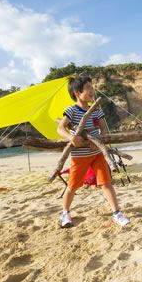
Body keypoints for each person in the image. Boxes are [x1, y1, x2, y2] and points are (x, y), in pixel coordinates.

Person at [57, 74, 130, 228]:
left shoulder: (96, 109)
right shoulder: (72, 110)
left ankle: (116, 213)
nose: (92, 91)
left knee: (106, 183)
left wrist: (98, 142)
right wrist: (71, 138)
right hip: (80, 157)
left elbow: (103, 129)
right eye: (88, 89)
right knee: (72, 186)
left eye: (92, 88)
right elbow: (60, 128)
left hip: (97, 154)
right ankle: (65, 212)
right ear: (77, 92)